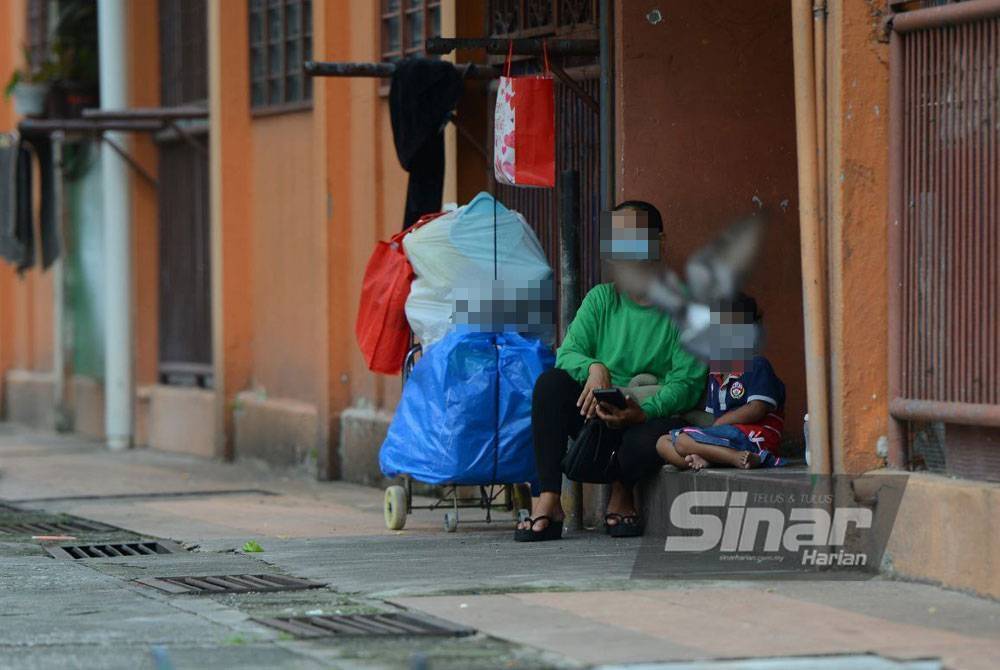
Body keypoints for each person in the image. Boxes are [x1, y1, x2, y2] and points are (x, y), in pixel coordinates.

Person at [515, 201, 708, 542]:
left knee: (649, 437)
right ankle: (548, 498)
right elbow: (567, 354)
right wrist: (595, 367)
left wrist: (641, 411)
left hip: (648, 419)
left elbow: (688, 384)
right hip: (597, 418)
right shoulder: (602, 300)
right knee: (550, 385)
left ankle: (623, 491)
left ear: (657, 242)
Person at [656, 293, 786, 470]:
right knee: (662, 443)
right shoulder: (715, 374)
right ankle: (709, 459)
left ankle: (733, 458)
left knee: (682, 442)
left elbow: (757, 408)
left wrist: (718, 424)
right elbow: (713, 418)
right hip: (727, 437)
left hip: (754, 437)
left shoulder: (756, 364)